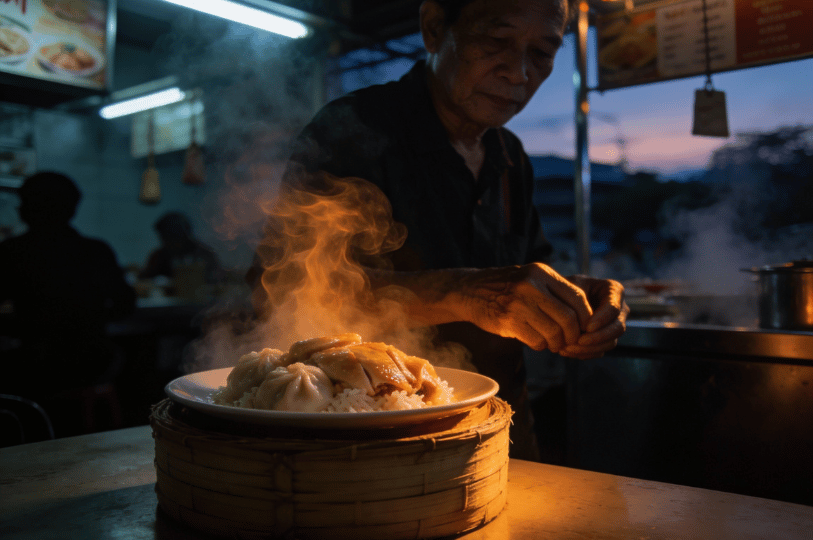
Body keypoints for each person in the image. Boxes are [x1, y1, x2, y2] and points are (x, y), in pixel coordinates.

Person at [252, 0, 628, 459]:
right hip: (379, 439)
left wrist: (572, 301)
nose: (520, 73)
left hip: (502, 426)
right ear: (434, 28)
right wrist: (465, 292)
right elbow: (284, 289)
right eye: (496, 42)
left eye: (542, 52)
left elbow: (524, 271)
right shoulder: (354, 129)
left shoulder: (510, 156)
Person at [0, 172, 136, 435]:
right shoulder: (97, 251)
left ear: (28, 209)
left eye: (23, 202)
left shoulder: (12, 252)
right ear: (72, 209)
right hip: (93, 360)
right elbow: (125, 307)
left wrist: (26, 324)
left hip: (35, 364)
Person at [139, 211, 223, 291]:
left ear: (183, 235)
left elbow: (217, 280)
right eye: (163, 238)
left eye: (168, 237)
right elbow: (144, 279)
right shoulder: (159, 256)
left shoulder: (204, 255)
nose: (165, 241)